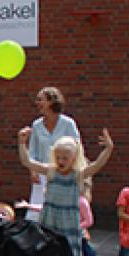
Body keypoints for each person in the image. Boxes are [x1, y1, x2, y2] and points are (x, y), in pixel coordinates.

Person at [18, 130, 114, 256]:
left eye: (65, 158)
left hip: (68, 224)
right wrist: (22, 144)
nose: (61, 161)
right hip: (50, 222)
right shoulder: (51, 171)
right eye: (58, 157)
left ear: (74, 158)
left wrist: (108, 148)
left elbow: (96, 166)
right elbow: (27, 162)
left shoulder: (78, 175)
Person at [24, 87, 79, 221]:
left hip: (63, 172)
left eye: (40, 99)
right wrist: (33, 171)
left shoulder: (67, 123)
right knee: (36, 210)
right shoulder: (36, 125)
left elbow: (77, 147)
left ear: (51, 101)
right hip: (42, 172)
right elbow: (32, 151)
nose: (37, 103)